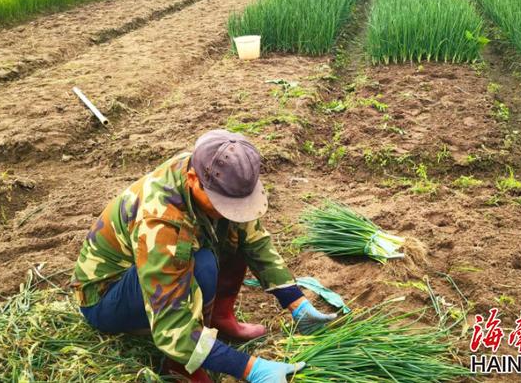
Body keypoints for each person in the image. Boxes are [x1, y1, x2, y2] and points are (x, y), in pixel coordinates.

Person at [71, 130, 337, 382]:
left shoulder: (221, 174)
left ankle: (221, 320)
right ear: (192, 179)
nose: (230, 210)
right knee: (203, 264)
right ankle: (180, 366)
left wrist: (296, 302)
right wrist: (250, 368)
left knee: (234, 235)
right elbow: (172, 329)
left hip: (144, 277)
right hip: (107, 298)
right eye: (223, 203)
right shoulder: (161, 222)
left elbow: (255, 241)